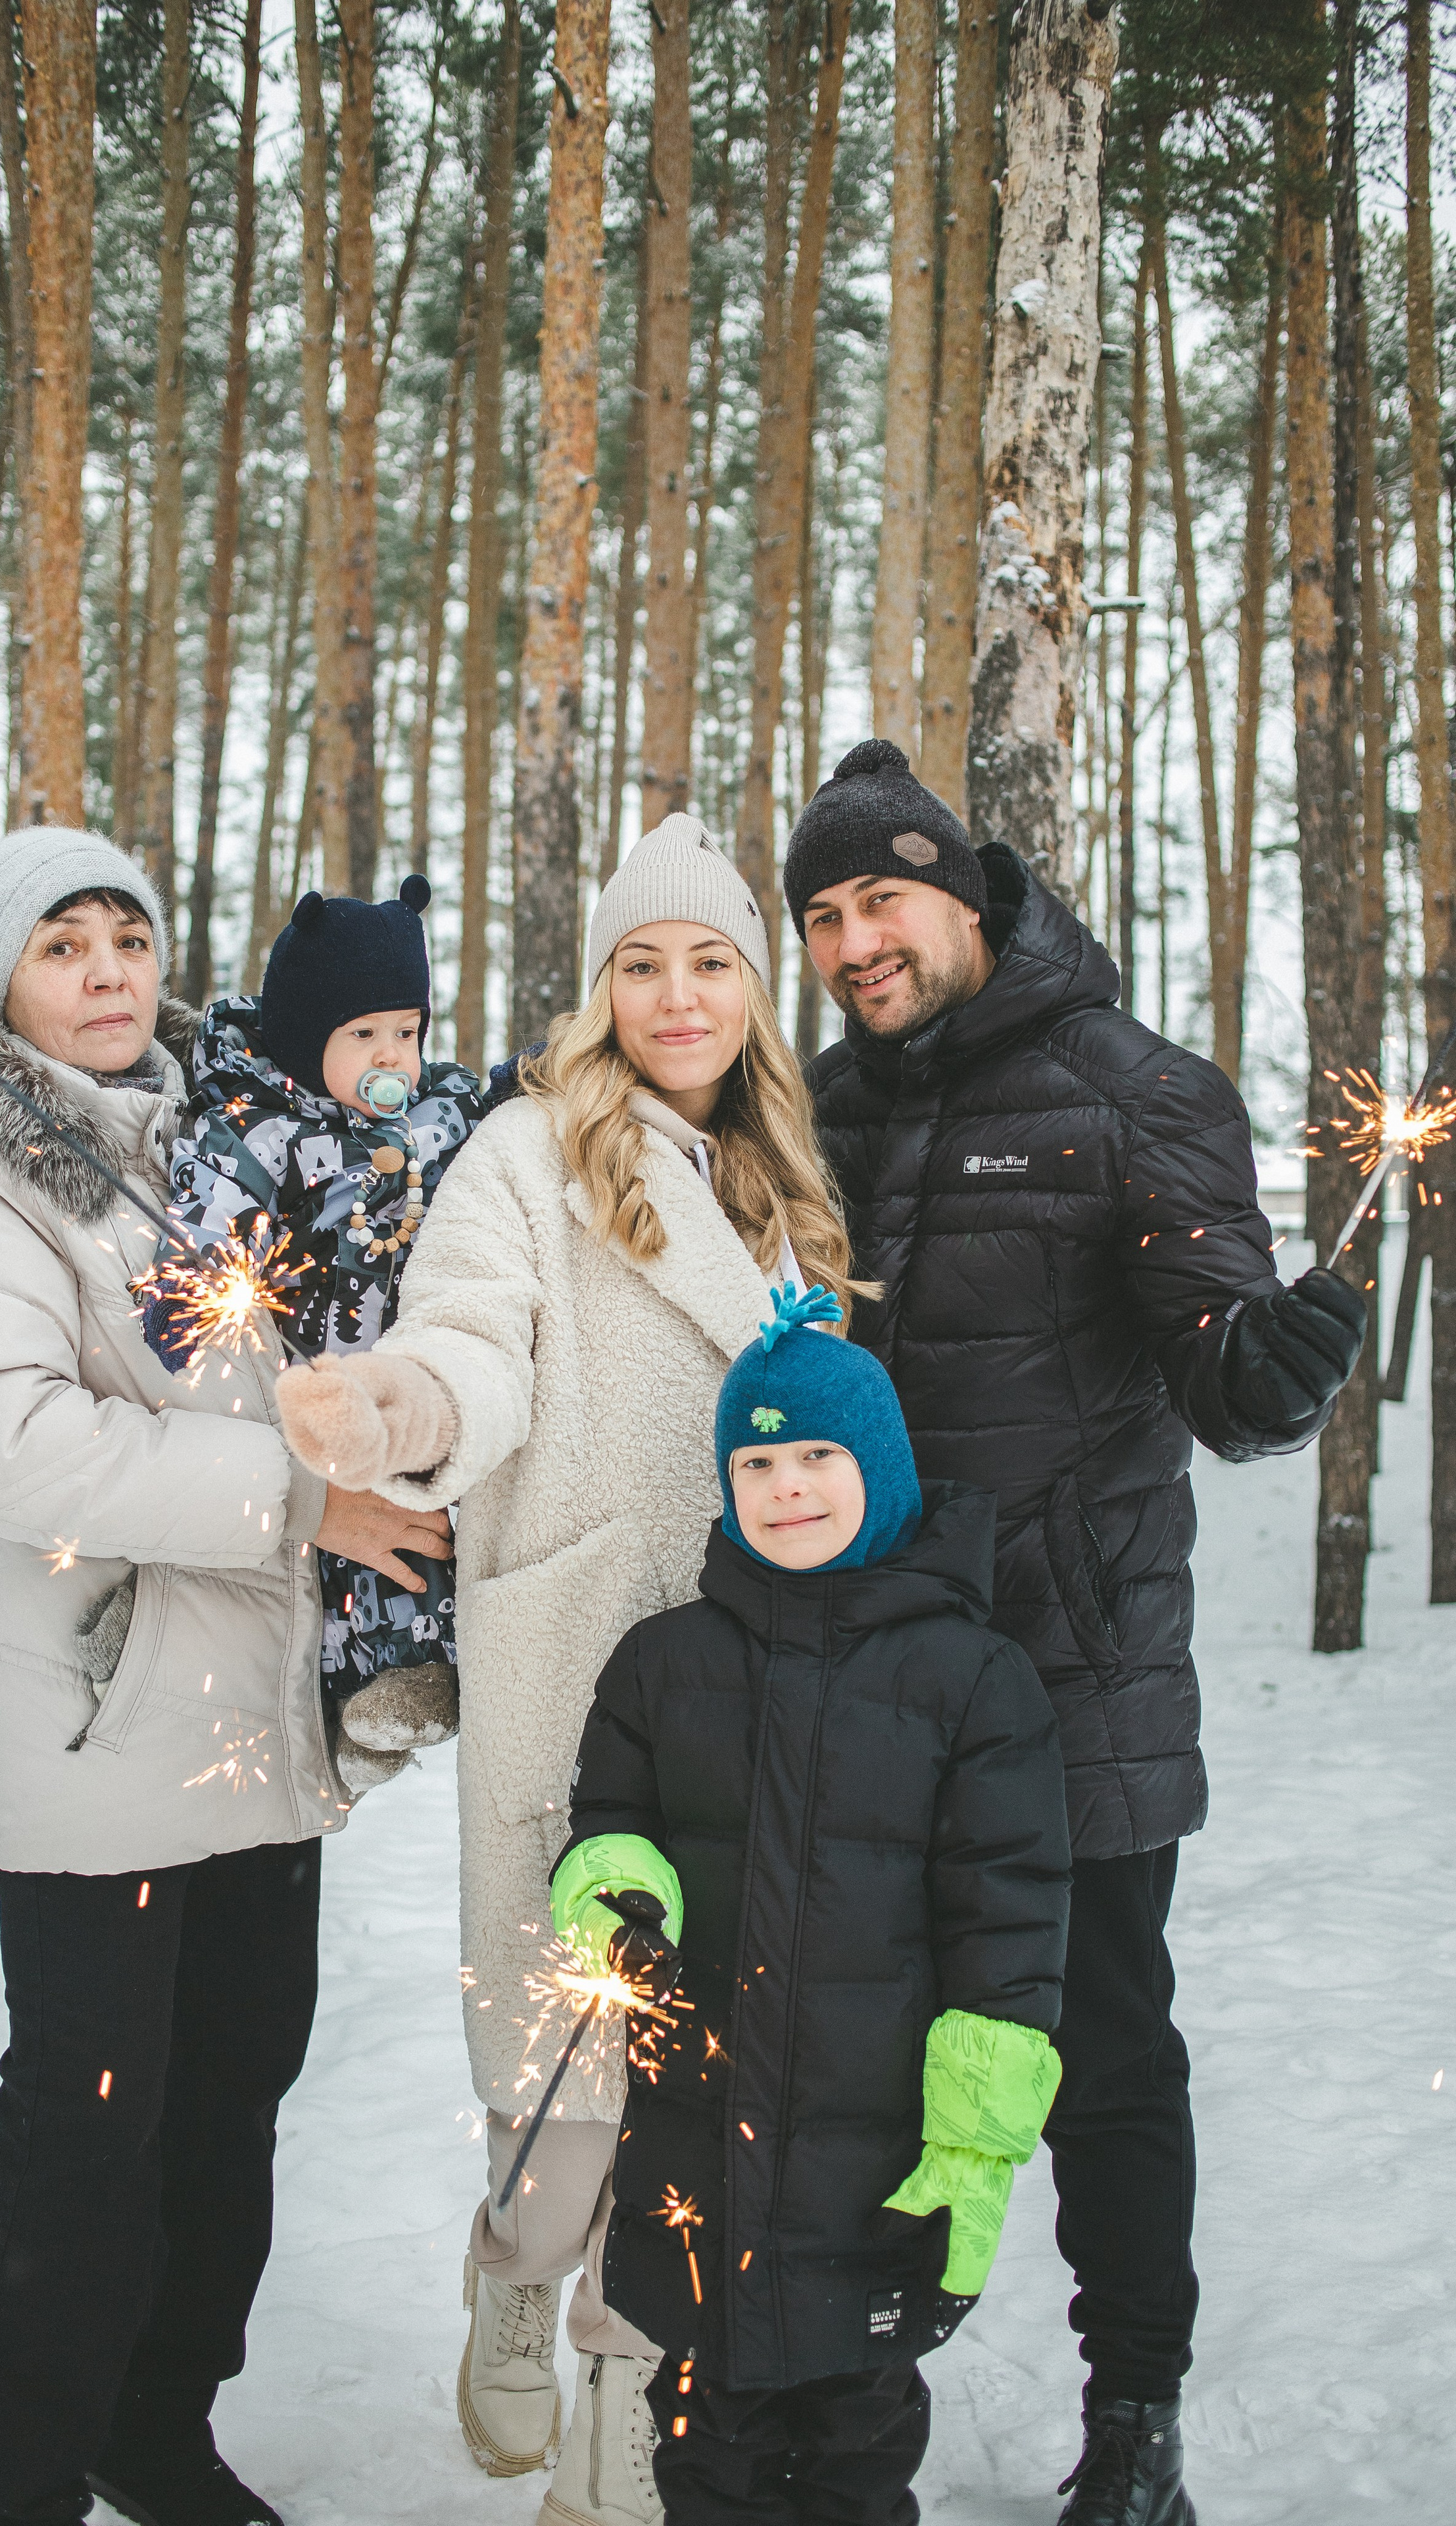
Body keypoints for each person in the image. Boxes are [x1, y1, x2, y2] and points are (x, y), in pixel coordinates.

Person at [786, 738, 1365, 2526]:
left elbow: (1228, 1381)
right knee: (861, 2059)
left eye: (884, 898)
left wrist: (1274, 1381)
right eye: (821, 915)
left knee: (1103, 2057)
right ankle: (845, 2395)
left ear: (967, 895)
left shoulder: (1140, 1090)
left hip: (1073, 1676)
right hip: (870, 1680)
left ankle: (1139, 2424)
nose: (856, 941)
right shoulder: (817, 1108)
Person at [274, 814, 861, 2526]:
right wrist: (404, 1412)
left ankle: (625, 2403)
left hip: (756, 1687)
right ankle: (514, 2272)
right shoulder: (527, 1157)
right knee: (568, 2089)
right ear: (601, 990)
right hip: (583, 1673)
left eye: (711, 961)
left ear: (755, 987)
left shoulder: (792, 1185)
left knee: (696, 2097)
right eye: (641, 963)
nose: (677, 995)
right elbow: (474, 1342)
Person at [0, 828, 450, 2526]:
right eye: (66, 944)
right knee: (85, 2134)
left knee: (234, 2101)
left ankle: (158, 2419)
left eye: (130, 933)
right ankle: (17, 2478)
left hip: (248, 1727)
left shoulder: (215, 1136)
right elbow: (3, 1445)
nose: (112, 968)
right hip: (90, 1716)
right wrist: (298, 1500)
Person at [550, 1281, 1072, 2526]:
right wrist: (615, 1890)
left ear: (879, 1469)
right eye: (760, 1461)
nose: (788, 1487)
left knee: (856, 2446)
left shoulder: (972, 1677)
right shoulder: (663, 1662)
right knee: (706, 2451)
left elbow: (1010, 1917)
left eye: (820, 1456)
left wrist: (975, 2135)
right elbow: (606, 1818)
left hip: (877, 2154)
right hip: (698, 2140)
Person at [144, 875, 486, 1795]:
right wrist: (189, 1290)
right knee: (332, 1550)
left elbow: (497, 1105)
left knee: (418, 1525)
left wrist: (550, 1073)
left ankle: (407, 1679)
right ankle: (338, 1700)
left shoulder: (434, 1113)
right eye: (363, 1036)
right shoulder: (261, 1129)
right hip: (303, 1384)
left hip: (404, 1379)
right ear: (307, 1039)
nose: (394, 1058)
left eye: (407, 1032)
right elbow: (211, 1208)